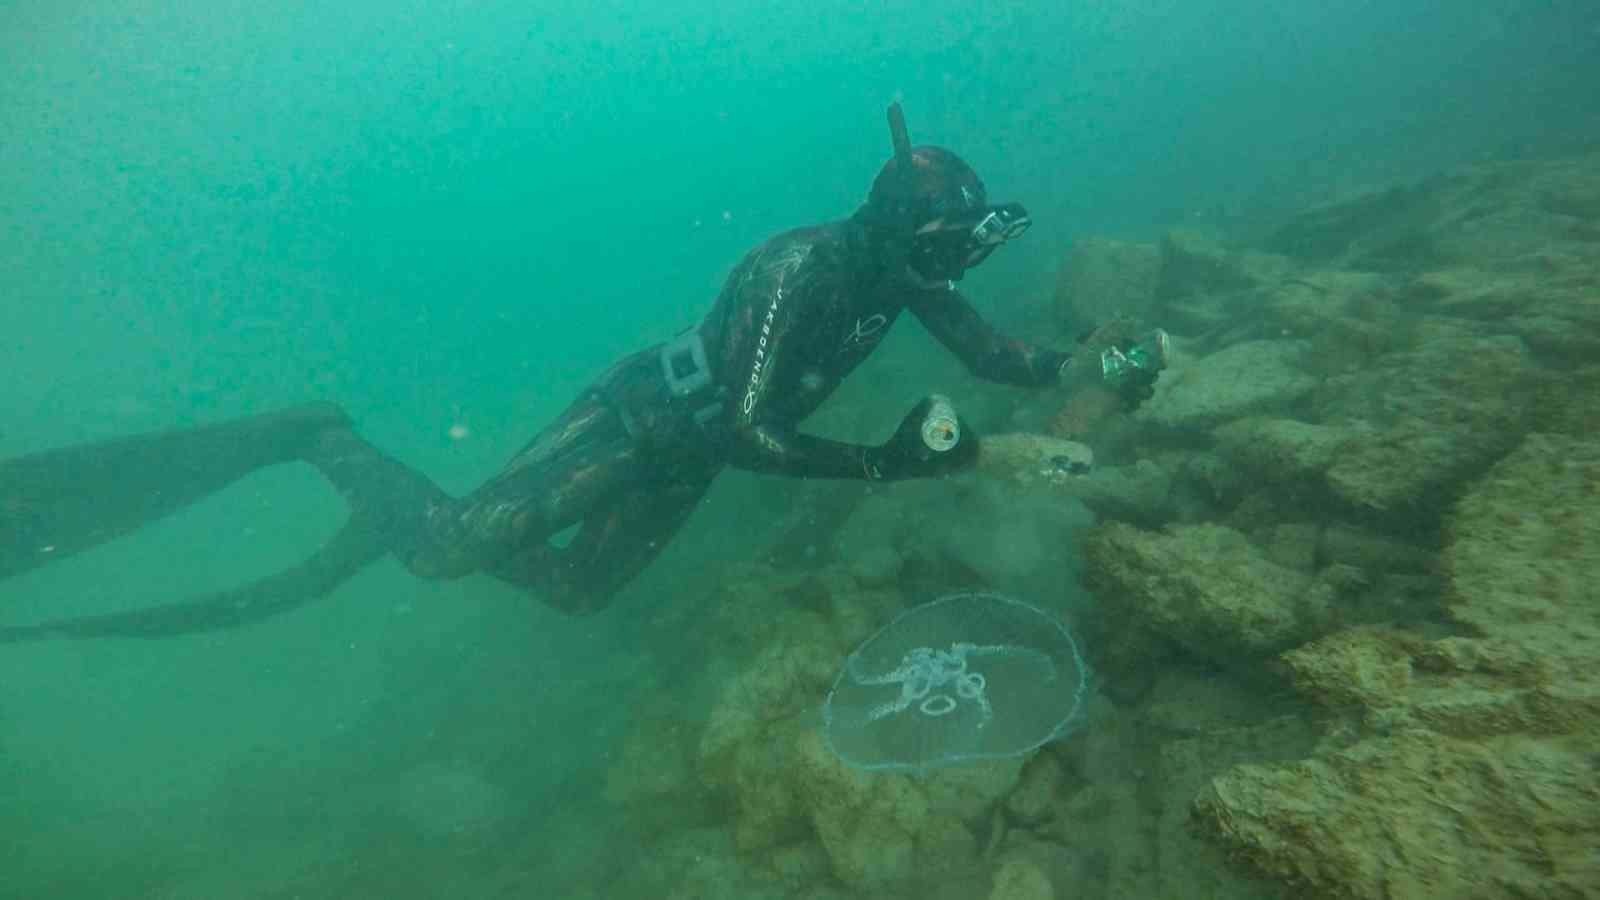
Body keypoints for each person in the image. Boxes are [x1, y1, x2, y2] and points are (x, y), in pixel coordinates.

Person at [0, 104, 1165, 642]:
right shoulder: (794, 271)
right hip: (638, 421)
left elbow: (998, 355)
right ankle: (323, 439)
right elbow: (753, 431)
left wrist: (1091, 362)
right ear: (886, 226)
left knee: (574, 594)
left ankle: (412, 508)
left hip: (690, 453)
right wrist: (883, 463)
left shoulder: (898, 279)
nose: (945, 270)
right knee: (453, 554)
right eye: (934, 248)